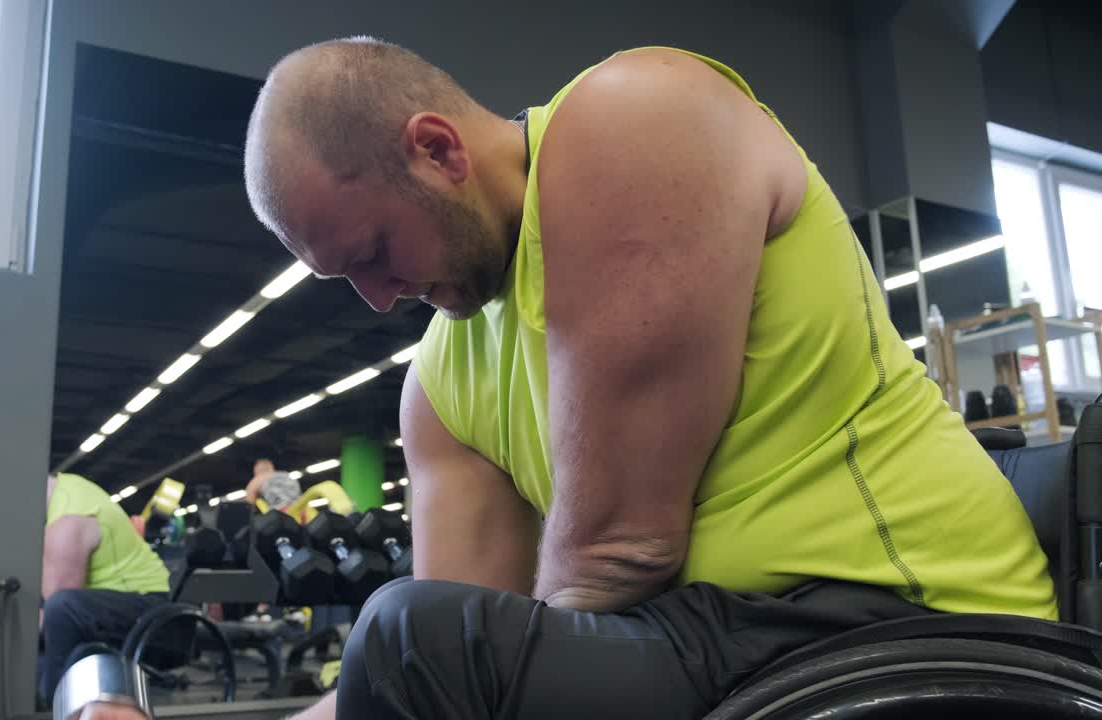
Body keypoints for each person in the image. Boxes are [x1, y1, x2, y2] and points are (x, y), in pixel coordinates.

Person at [249, 38, 1058, 719]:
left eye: (373, 254)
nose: (379, 299)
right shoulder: (438, 385)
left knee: (405, 637)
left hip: (907, 633)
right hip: (721, 652)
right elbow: (457, 644)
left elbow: (619, 550)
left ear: (437, 150)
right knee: (410, 643)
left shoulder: (633, 120)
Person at [40, 473, 173, 706]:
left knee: (61, 609)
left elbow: (53, 599)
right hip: (112, 602)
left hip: (147, 604)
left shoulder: (69, 516)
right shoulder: (64, 490)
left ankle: (51, 705)